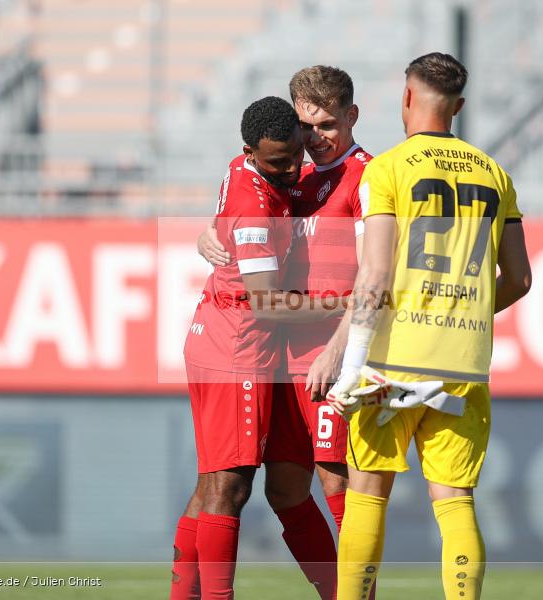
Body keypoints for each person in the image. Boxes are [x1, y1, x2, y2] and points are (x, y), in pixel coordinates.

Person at [326, 52, 532, 600]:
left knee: (367, 496)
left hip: (391, 361)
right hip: (463, 364)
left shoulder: (387, 168)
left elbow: (374, 275)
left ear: (407, 96)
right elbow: (519, 278)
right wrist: (463, 314)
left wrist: (350, 368)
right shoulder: (495, 174)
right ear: (458, 106)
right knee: (456, 502)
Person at [198, 66, 373, 599]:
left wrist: (342, 344)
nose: (315, 139)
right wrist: (207, 234)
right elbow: (243, 206)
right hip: (280, 352)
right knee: (285, 491)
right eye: (307, 126)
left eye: (327, 126)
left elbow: (377, 273)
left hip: (331, 351)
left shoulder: (369, 176)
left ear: (351, 116)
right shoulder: (290, 171)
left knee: (338, 480)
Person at [174, 96, 343, 600]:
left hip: (236, 338)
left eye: (294, 155)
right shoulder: (253, 206)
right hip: (240, 346)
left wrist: (207, 233)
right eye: (277, 162)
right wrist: (349, 305)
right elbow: (268, 303)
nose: (291, 168)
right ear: (250, 152)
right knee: (229, 487)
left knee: (220, 485)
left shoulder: (246, 169)